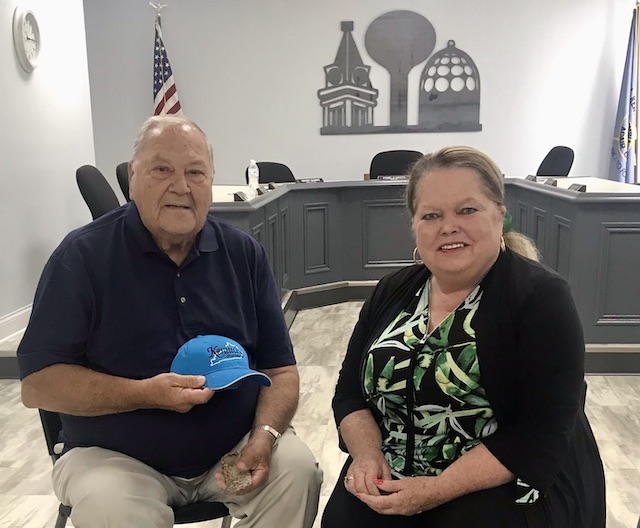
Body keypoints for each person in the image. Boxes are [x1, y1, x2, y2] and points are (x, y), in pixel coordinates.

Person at [17, 115, 322, 528]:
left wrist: (264, 437)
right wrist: (145, 394)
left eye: (196, 172)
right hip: (115, 459)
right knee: (112, 506)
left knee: (297, 471)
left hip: (233, 450)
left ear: (211, 182)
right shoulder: (82, 257)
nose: (181, 186)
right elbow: (38, 385)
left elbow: (281, 370)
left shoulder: (243, 254)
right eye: (162, 170)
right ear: (133, 180)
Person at [322, 146, 605, 528]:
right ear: (415, 226)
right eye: (431, 215)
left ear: (500, 214)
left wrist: (437, 489)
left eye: (467, 210)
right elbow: (349, 394)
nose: (448, 226)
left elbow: (539, 433)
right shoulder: (392, 289)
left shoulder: (540, 297)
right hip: (393, 471)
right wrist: (367, 455)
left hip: (503, 479)